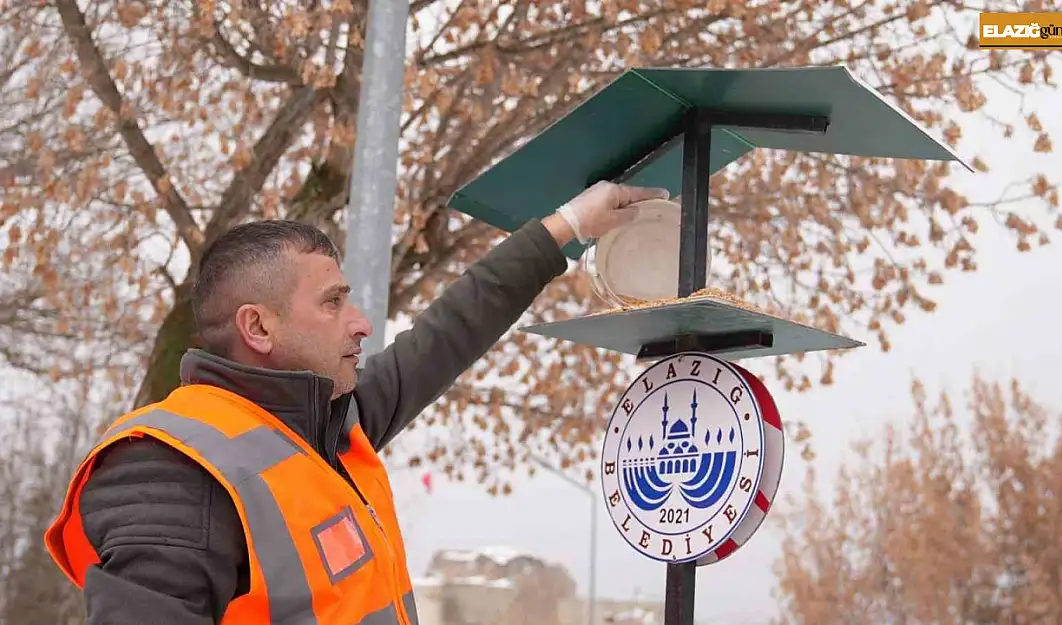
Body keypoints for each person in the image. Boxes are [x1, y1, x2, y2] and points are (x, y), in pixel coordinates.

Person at [44, 181, 668, 625]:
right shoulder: (171, 469)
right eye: (333, 303)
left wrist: (570, 225)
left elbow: (448, 333)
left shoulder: (329, 432)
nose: (362, 323)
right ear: (258, 328)